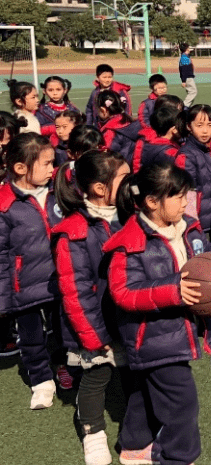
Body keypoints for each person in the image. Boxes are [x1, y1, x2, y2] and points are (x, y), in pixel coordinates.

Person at [103, 161, 211, 465]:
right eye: (178, 196)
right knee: (182, 403)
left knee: (146, 392)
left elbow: (208, 260)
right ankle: (179, 457)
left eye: (186, 195)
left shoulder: (188, 226)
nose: (185, 202)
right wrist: (173, 290)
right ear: (152, 202)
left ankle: (134, 446)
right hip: (151, 336)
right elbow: (123, 292)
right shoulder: (130, 243)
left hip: (177, 331)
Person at [52, 149, 129, 465]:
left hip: (126, 320)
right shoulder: (73, 233)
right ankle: (93, 431)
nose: (131, 184)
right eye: (124, 179)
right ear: (100, 189)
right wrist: (94, 338)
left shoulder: (127, 216)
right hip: (94, 328)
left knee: (132, 377)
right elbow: (76, 294)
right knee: (95, 379)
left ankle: (135, 429)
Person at [0, 133, 63, 409]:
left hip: (59, 281)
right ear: (20, 168)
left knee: (63, 330)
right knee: (31, 338)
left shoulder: (58, 192)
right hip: (22, 286)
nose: (53, 169)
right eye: (47, 163)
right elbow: (1, 255)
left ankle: (64, 368)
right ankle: (40, 380)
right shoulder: (4, 205)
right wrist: (4, 297)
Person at [175, 105, 211, 252]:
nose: (205, 130)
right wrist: (192, 221)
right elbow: (187, 193)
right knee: (199, 257)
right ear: (189, 127)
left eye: (210, 125)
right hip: (197, 219)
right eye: (199, 125)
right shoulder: (187, 155)